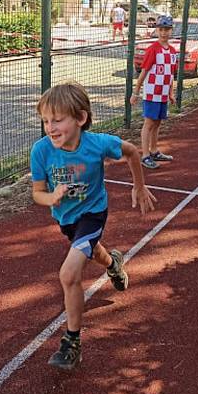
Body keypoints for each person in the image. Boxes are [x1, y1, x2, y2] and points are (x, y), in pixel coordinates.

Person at [31, 83, 156, 371]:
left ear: (81, 119)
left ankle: (72, 342)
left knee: (69, 273)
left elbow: (132, 151)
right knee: (92, 251)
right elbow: (37, 192)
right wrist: (51, 196)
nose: (50, 127)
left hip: (93, 213)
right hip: (66, 220)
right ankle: (113, 262)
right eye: (46, 120)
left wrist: (139, 186)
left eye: (57, 119)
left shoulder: (97, 144)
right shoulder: (41, 151)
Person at [130, 14, 178, 169]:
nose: (164, 33)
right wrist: (136, 92)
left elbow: (170, 74)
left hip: (163, 94)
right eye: (161, 29)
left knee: (157, 123)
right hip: (152, 94)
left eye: (167, 30)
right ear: (157, 30)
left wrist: (171, 92)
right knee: (149, 123)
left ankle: (154, 150)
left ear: (171, 31)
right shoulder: (153, 50)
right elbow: (143, 72)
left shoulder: (172, 51)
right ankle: (144, 155)